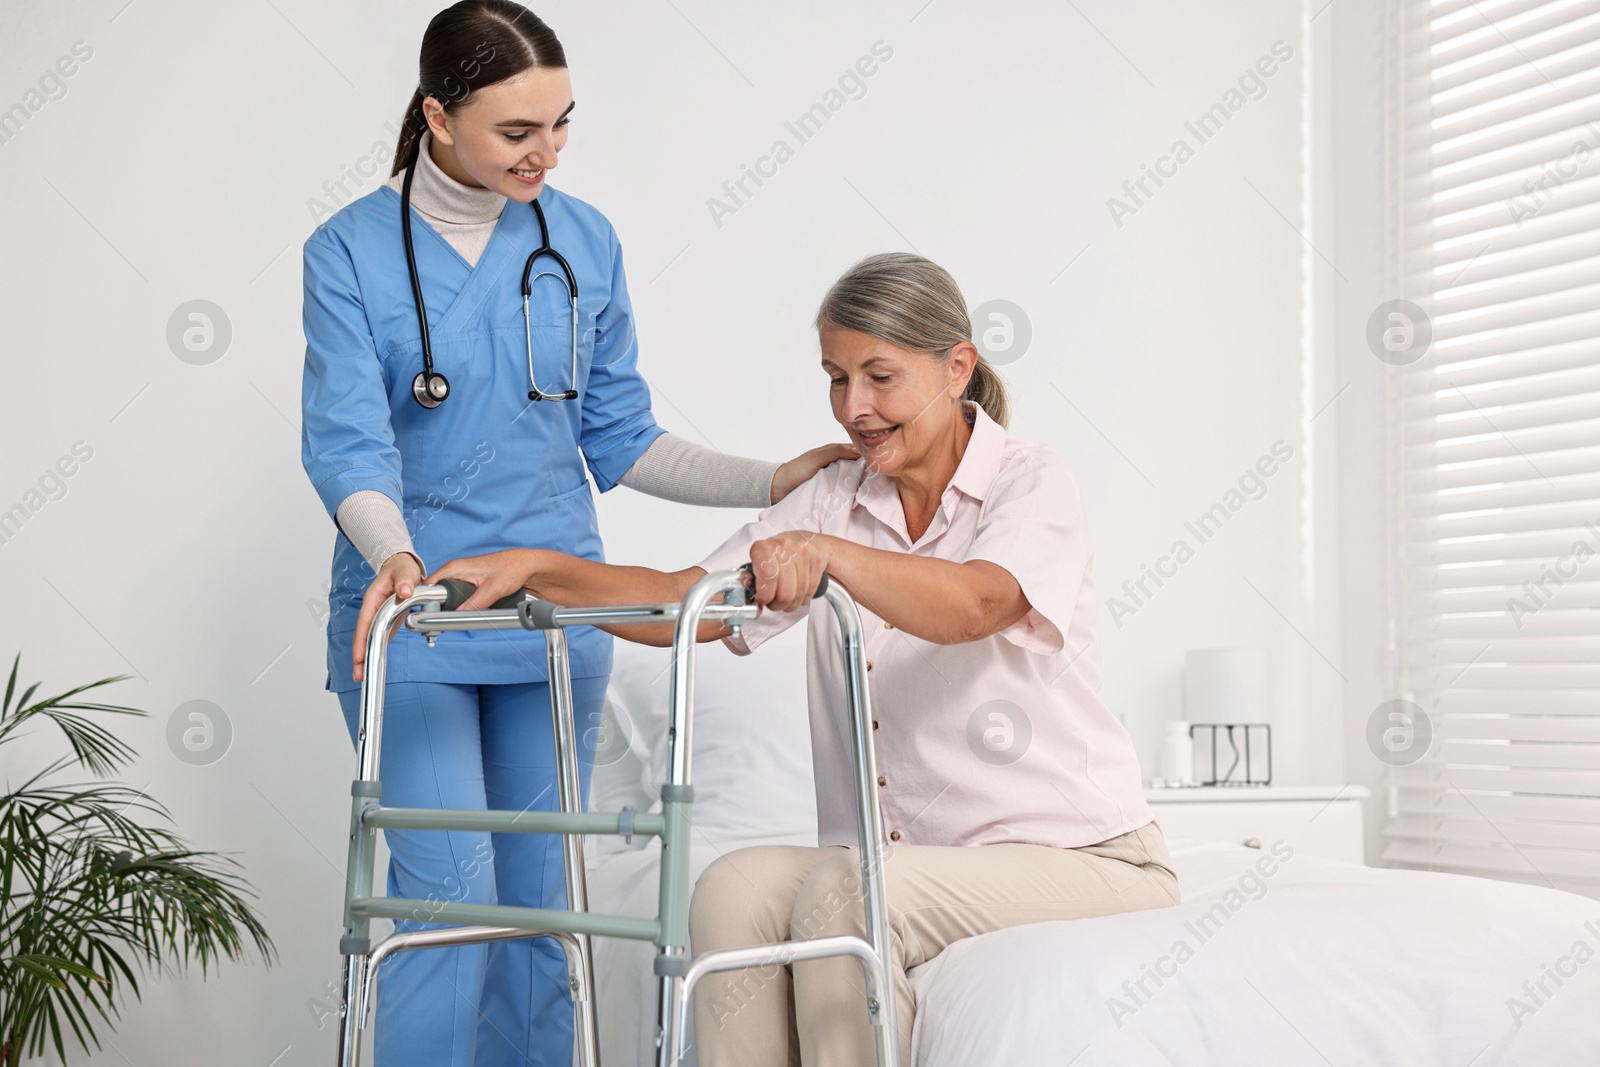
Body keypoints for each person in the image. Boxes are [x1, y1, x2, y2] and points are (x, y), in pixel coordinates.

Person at [431, 251, 1182, 1065]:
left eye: (879, 376)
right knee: (732, 888)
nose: (853, 408)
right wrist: (538, 566)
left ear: (956, 366)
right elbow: (686, 601)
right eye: (836, 377)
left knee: (841, 890)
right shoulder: (835, 495)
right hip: (915, 866)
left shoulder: (1030, 480)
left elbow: (974, 604)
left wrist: (829, 555)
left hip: (1081, 857)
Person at [298, 4, 853, 1064]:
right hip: (416, 617)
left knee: (543, 911)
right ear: (437, 118)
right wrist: (394, 555)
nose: (544, 152)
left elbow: (623, 435)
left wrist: (775, 474)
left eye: (560, 124)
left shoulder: (580, 239)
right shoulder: (349, 252)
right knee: (447, 908)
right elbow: (346, 445)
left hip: (558, 617)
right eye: (516, 132)